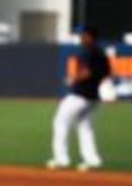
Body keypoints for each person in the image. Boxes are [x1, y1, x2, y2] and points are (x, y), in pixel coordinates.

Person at [48, 24, 112, 170]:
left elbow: (87, 72)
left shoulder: (88, 52)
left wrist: (74, 78)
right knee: (85, 128)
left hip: (80, 95)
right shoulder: (101, 52)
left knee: (60, 122)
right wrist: (95, 82)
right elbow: (107, 72)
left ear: (90, 36)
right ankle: (92, 160)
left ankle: (61, 159)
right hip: (93, 97)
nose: (81, 38)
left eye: (83, 35)